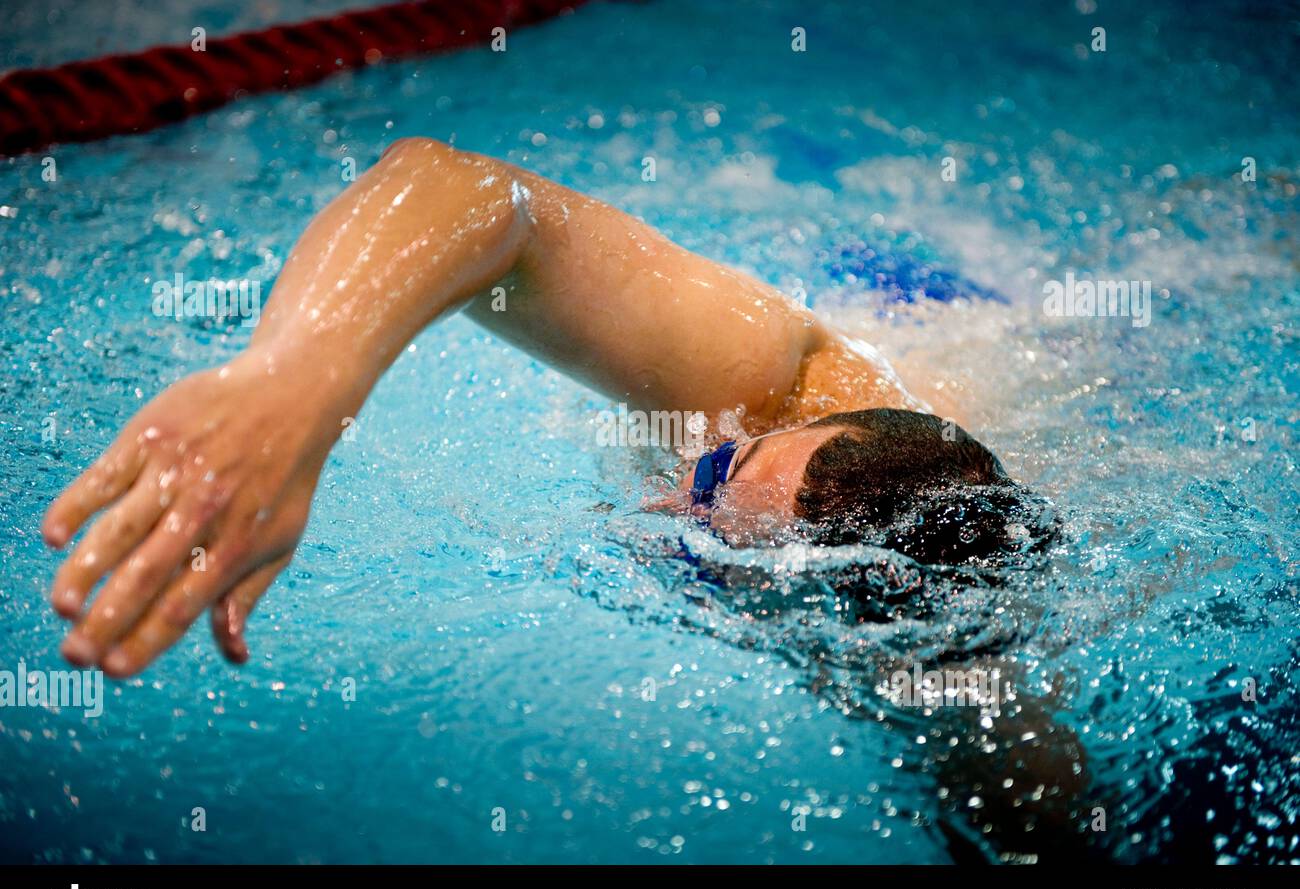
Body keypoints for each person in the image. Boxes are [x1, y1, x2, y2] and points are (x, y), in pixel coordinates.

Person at [43, 137, 1012, 678]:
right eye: (716, 475)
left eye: (713, 560)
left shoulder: (940, 653)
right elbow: (464, 191)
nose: (670, 506)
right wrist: (293, 386)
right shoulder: (749, 381)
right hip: (938, 297)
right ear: (780, 427)